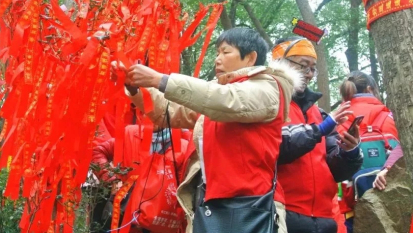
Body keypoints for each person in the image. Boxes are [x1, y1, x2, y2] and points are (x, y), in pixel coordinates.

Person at [113, 28, 303, 233]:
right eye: (217, 53)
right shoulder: (214, 94)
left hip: (254, 206)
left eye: (225, 52)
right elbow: (169, 112)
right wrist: (135, 87)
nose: (217, 59)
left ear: (250, 58)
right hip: (212, 205)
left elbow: (226, 100)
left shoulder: (268, 87)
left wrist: (160, 80)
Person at [272, 37, 363, 233]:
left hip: (324, 218)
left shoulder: (318, 113)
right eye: (304, 66)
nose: (310, 74)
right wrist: (321, 129)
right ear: (279, 64)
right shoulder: (269, 106)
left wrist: (349, 151)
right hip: (282, 214)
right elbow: (277, 147)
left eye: (313, 68)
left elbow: (336, 171)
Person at [336, 71, 400, 232]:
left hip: (353, 209)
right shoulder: (393, 117)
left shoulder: (339, 121)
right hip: (395, 205)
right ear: (370, 90)